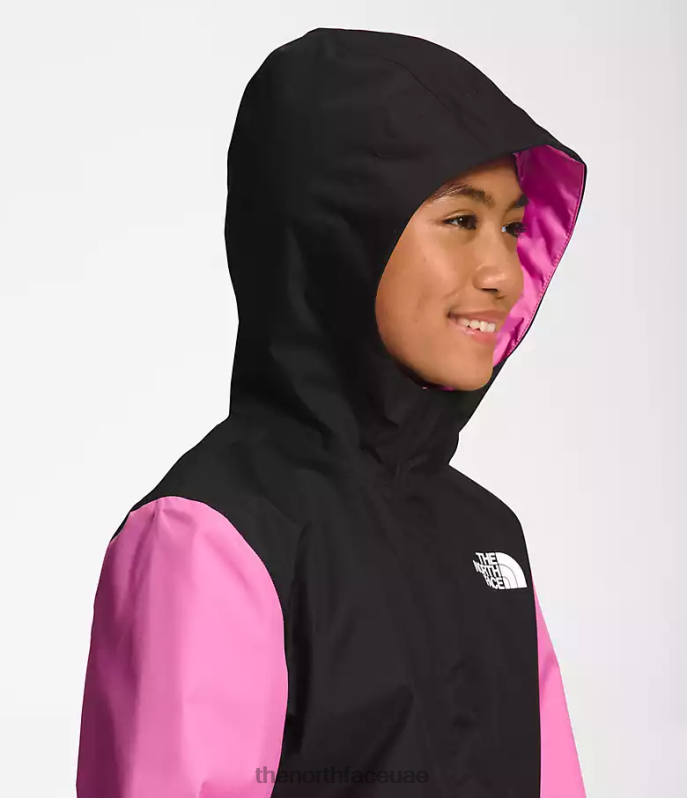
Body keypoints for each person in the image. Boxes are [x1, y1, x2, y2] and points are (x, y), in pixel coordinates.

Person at [76, 27, 588, 797]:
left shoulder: (488, 536)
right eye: (461, 221)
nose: (503, 275)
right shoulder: (212, 536)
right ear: (337, 234)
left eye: (513, 228)